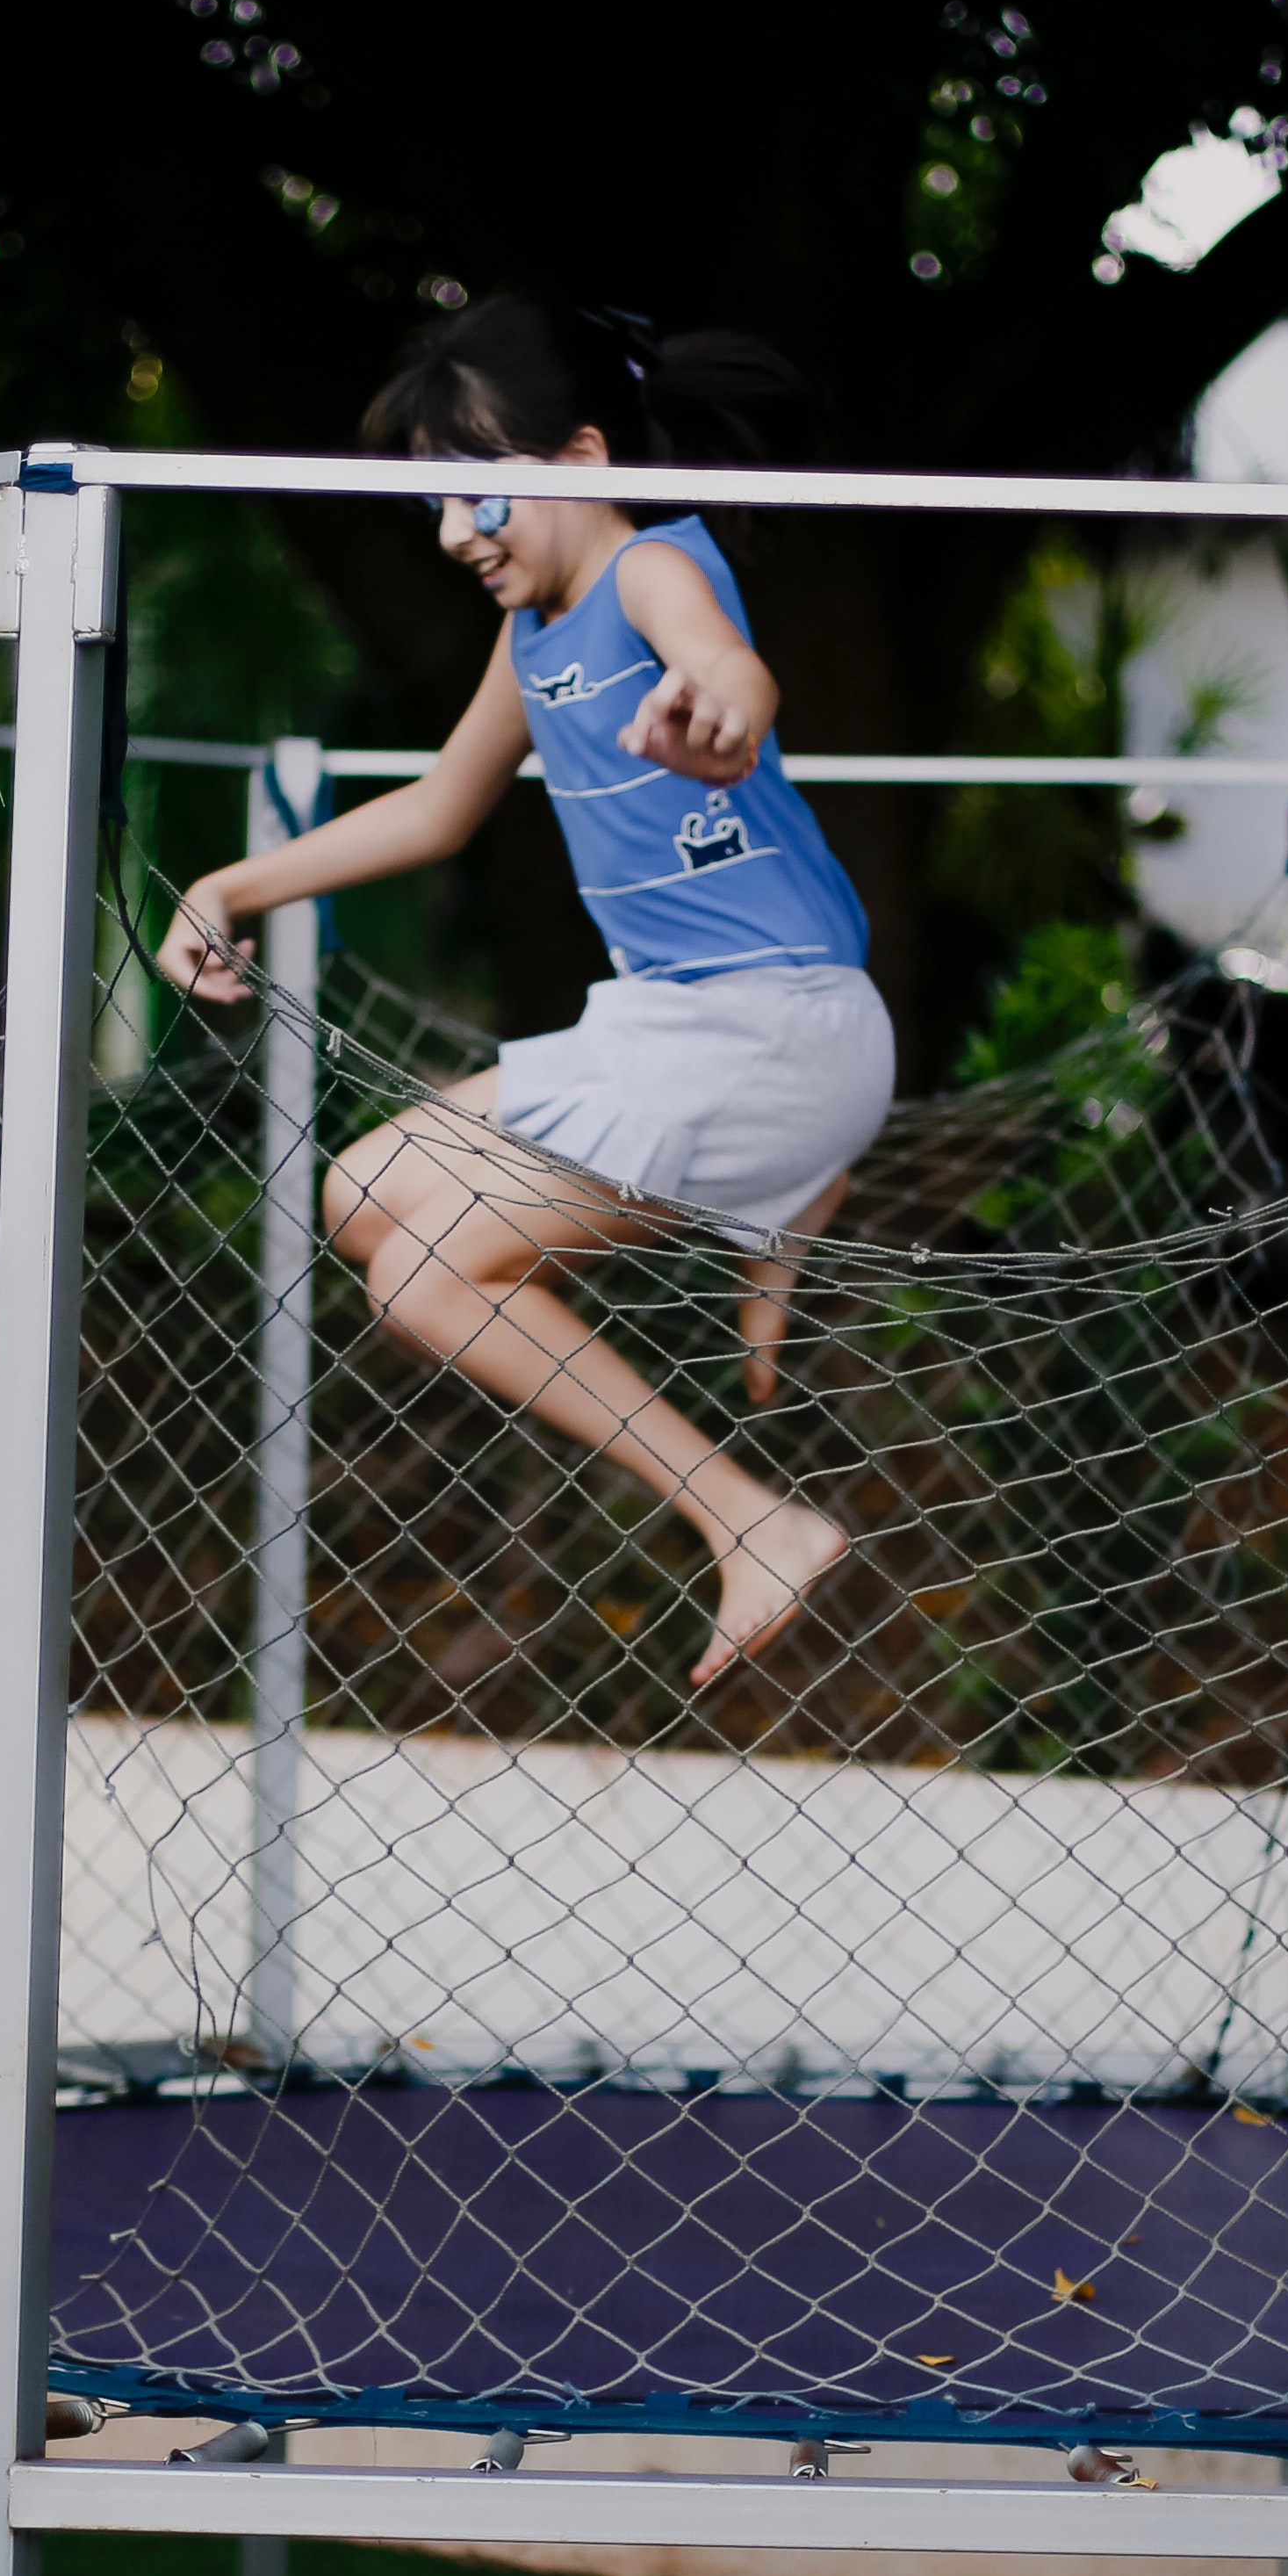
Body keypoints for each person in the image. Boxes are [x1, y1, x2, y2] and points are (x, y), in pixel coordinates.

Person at [156, 295, 887, 1692]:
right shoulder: (536, 635)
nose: (453, 533)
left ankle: (755, 1522)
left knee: (428, 1277)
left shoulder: (655, 566)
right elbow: (439, 806)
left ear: (587, 460)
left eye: (478, 490)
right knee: (358, 1202)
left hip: (777, 1034)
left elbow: (726, 662)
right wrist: (232, 886)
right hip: (675, 1023)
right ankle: (786, 1201)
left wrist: (717, 707)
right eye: (437, 503)